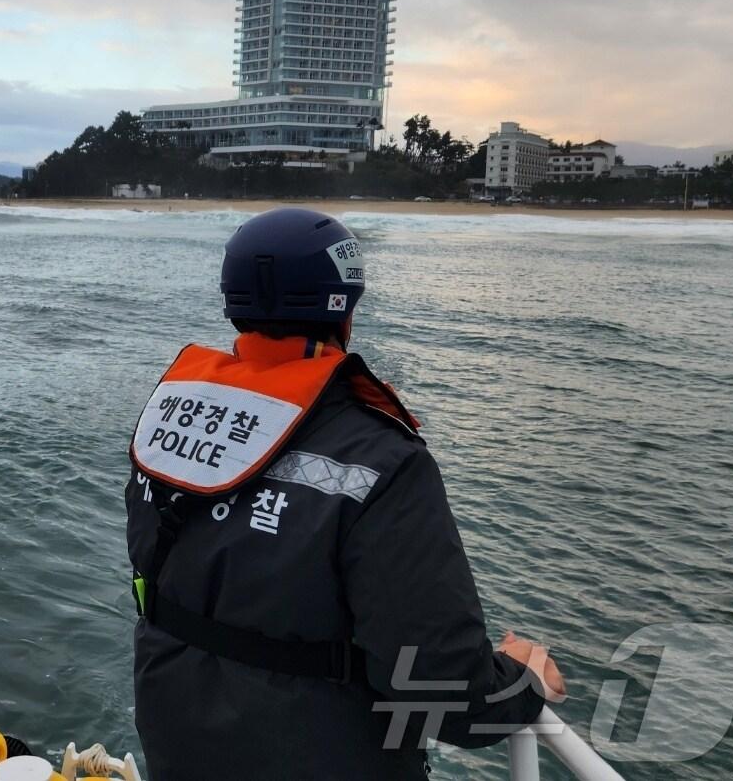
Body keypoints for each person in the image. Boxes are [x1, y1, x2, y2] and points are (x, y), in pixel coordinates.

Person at [125, 208, 564, 780]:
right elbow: (450, 698)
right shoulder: (383, 459)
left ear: (233, 303)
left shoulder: (172, 425)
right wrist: (521, 680)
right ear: (346, 313)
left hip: (179, 749)